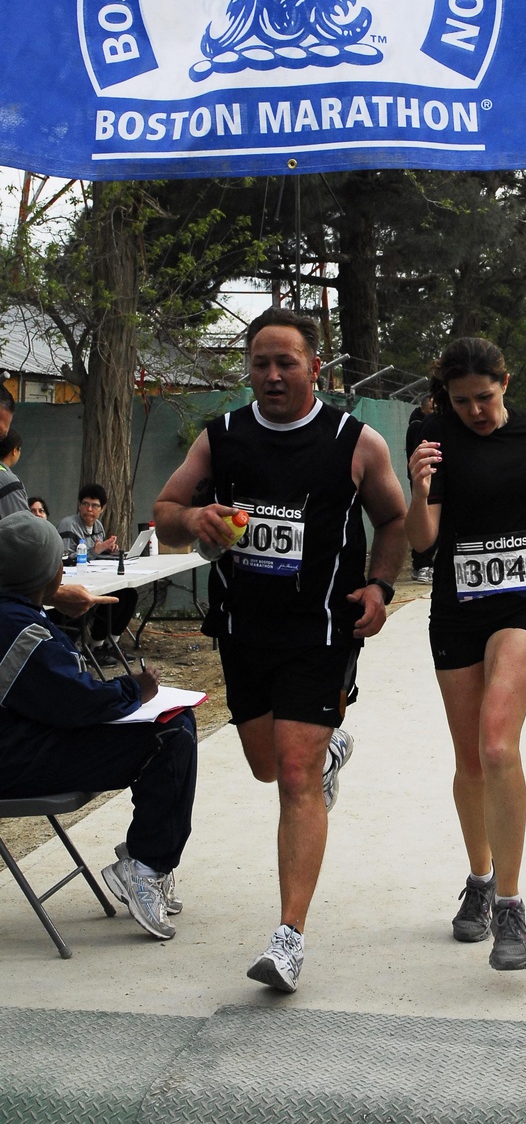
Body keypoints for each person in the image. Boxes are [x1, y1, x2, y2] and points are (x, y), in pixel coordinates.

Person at [153, 306, 407, 994]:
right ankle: (331, 751)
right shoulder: (222, 438)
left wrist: (380, 585)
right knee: (267, 767)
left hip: (320, 633)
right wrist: (194, 517)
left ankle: (288, 937)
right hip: (243, 630)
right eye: (260, 363)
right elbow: (165, 515)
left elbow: (393, 520)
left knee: (295, 776)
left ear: (313, 368)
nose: (271, 374)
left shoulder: (355, 442)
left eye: (285, 362)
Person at [406, 337, 526, 972]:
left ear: (505, 383)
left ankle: (509, 903)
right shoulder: (433, 436)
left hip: (524, 604)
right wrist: (417, 486)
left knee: (497, 743)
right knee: (470, 760)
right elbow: (422, 542)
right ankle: (479, 878)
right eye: (461, 401)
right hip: (456, 608)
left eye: (484, 397)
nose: (474, 411)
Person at [0, 511, 197, 940]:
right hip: (14, 760)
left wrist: (51, 604)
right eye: (59, 563)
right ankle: (145, 864)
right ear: (43, 574)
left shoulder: (14, 614)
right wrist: (133, 689)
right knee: (169, 732)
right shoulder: (19, 630)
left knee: (175, 721)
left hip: (19, 742)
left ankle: (149, 855)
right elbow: (73, 703)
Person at [0, 385, 116, 624]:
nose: (90, 510)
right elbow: (27, 557)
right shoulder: (5, 482)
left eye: (1, 437)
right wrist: (56, 594)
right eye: (86, 504)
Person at [56, 484, 139, 663]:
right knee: (104, 599)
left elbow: (96, 553)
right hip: (74, 583)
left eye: (95, 506)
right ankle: (93, 647)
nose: (89, 510)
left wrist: (108, 549)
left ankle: (110, 644)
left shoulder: (98, 526)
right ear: (79, 505)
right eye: (85, 504)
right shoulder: (68, 525)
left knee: (128, 594)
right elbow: (63, 559)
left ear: (102, 509)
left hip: (95, 577)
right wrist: (95, 551)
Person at [406, 392, 437, 581]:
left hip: (434, 477)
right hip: (423, 479)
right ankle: (421, 564)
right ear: (423, 408)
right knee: (425, 520)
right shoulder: (417, 426)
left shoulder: (433, 425)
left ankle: (427, 563)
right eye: (431, 408)